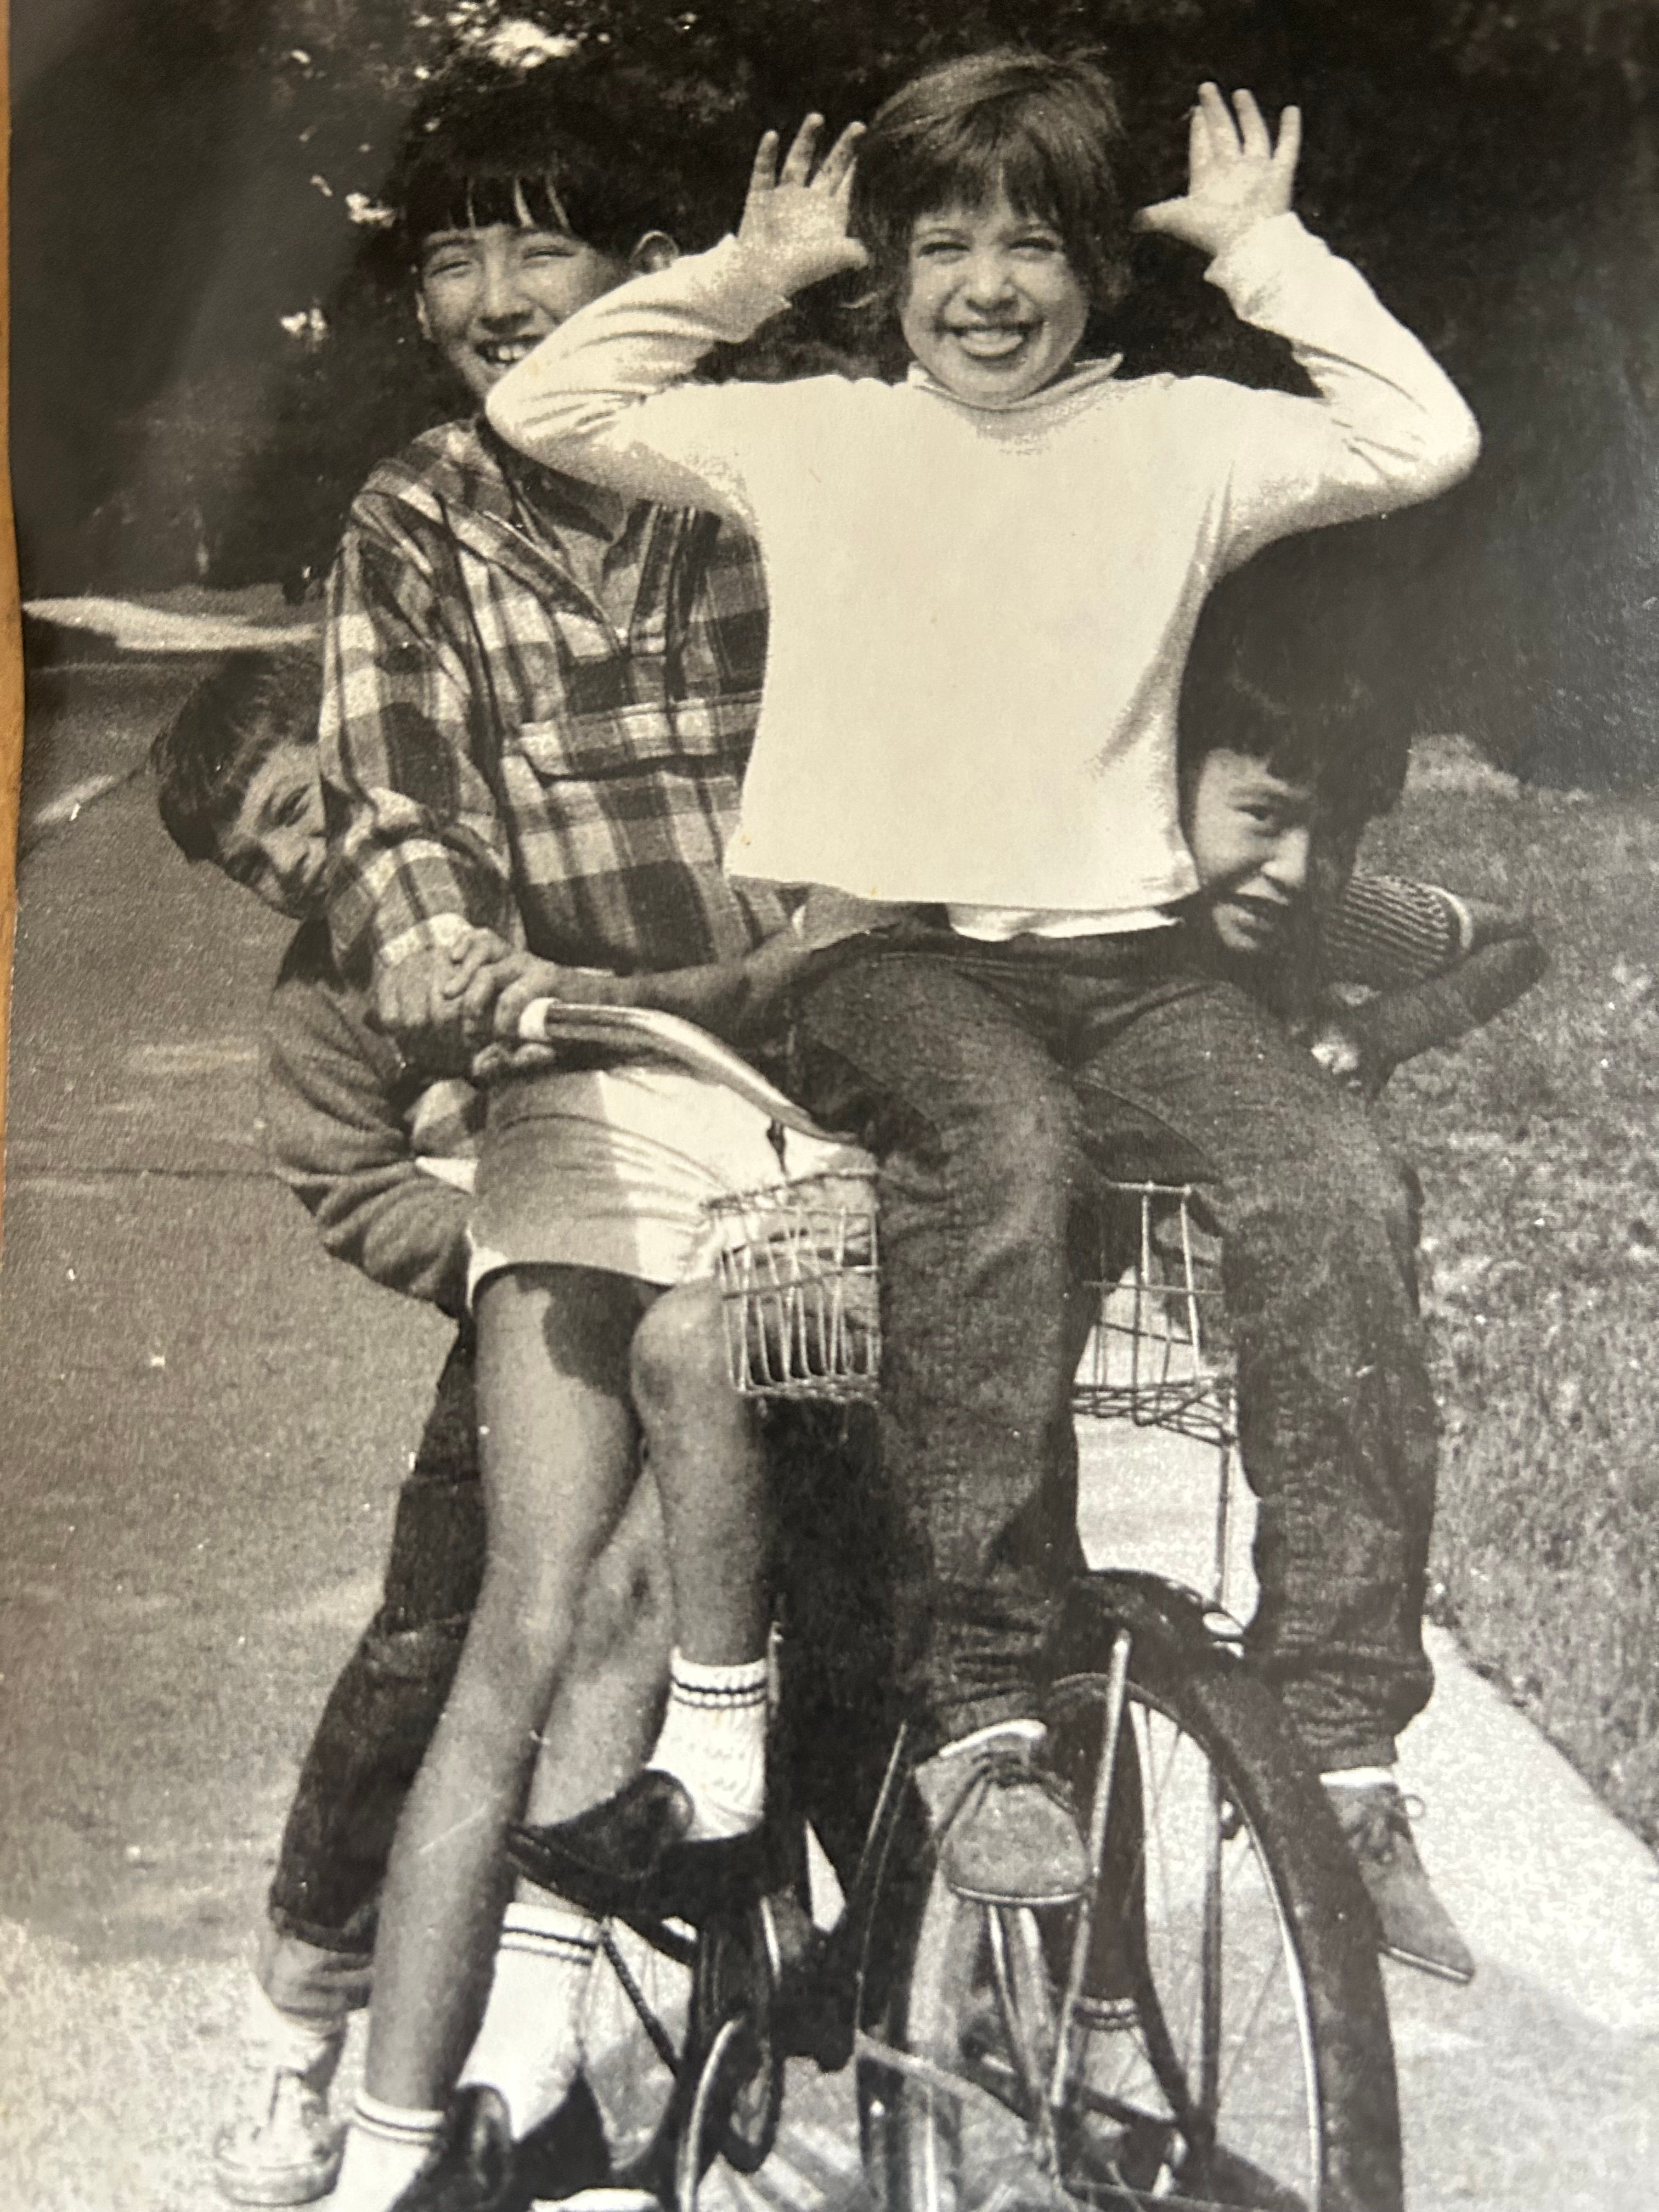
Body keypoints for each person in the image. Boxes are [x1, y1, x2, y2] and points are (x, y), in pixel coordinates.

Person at [484, 48, 1483, 1970]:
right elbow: (555, 396)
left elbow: (1418, 438)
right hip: (892, 959)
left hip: (1133, 961)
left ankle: (1349, 1744)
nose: (990, 285)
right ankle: (988, 1714)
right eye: (942, 243)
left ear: (1101, 267)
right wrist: (753, 269)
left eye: (1035, 242)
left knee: (1341, 1180)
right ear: (894, 266)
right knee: (1001, 1163)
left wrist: (1270, 258)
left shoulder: (1187, 433)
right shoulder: (817, 432)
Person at [316, 57, 894, 2212]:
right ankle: (407, 2141)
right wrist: (447, 951)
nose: (485, 291)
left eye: (536, 240)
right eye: (453, 252)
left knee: (793, 1542)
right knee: (544, 1607)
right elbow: (391, 803)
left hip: (827, 1050)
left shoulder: (762, 469)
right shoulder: (413, 518)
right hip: (596, 1076)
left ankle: (702, 1972)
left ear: (648, 277)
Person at [151, 652, 672, 2206]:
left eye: (296, 817)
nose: (290, 868)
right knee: (435, 1640)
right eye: (252, 862)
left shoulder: (517, 873)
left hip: (690, 1237)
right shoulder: (325, 1003)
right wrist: (489, 1245)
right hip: (529, 1304)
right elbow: (346, 1186)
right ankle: (307, 2027)